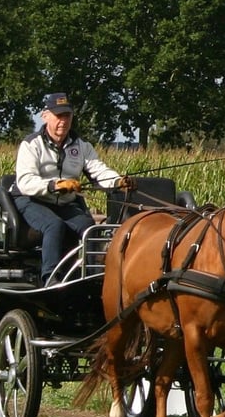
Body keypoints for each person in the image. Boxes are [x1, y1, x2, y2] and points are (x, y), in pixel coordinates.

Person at [10, 92, 134, 285]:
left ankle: (93, 277)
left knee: (90, 227)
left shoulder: (81, 146)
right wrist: (54, 185)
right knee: (54, 225)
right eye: (58, 116)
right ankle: (50, 278)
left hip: (64, 203)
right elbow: (26, 181)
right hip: (32, 200)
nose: (63, 121)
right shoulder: (31, 144)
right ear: (45, 116)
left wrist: (117, 181)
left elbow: (98, 170)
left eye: (67, 115)